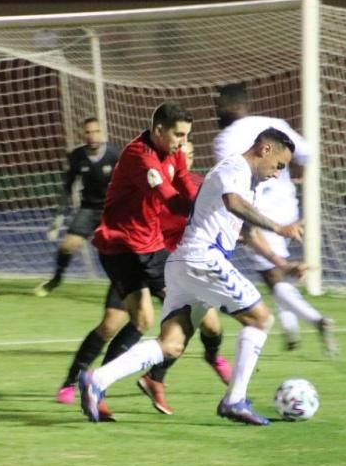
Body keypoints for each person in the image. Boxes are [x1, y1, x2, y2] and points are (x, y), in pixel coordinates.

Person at [80, 127, 302, 425]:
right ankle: (234, 400)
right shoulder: (235, 167)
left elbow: (246, 231)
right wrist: (279, 227)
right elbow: (234, 204)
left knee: (170, 344)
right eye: (279, 165)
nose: (277, 174)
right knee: (261, 319)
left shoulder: (246, 182)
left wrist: (280, 263)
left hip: (186, 264)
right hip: (202, 259)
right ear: (265, 150)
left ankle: (97, 380)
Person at [58, 140, 230, 416]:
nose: (186, 154)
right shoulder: (149, 181)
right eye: (179, 149)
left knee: (207, 322)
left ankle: (170, 372)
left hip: (167, 263)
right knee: (112, 324)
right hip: (135, 255)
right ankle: (73, 381)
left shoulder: (196, 185)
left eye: (191, 150)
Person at [76, 102, 200, 420]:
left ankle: (152, 377)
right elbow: (169, 198)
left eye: (186, 136)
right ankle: (98, 383)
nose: (182, 142)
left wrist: (202, 200)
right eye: (178, 135)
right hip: (121, 247)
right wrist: (206, 212)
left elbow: (184, 182)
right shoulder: (139, 156)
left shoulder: (172, 151)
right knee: (145, 319)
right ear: (159, 130)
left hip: (151, 246)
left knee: (197, 310)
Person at [212, 83, 337, 355]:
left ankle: (318, 321)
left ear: (228, 107)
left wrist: (242, 223)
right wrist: (289, 172)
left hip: (260, 213)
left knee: (272, 275)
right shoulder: (273, 123)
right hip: (287, 207)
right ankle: (291, 333)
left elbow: (233, 181)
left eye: (219, 106)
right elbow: (307, 153)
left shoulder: (225, 139)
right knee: (278, 273)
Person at [35, 117, 119, 297]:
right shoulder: (77, 156)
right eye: (88, 132)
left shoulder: (114, 154)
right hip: (88, 209)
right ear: (83, 134)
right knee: (67, 246)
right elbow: (68, 186)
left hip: (112, 210)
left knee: (124, 252)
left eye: (96, 131)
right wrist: (59, 216)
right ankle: (56, 279)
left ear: (101, 133)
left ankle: (142, 285)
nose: (92, 136)